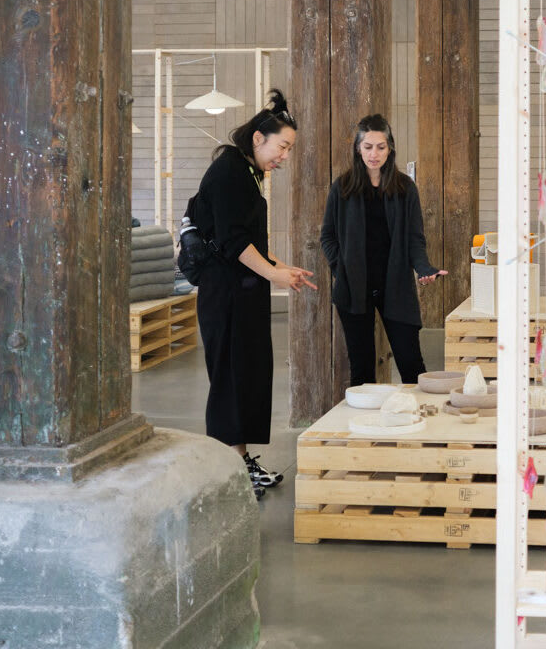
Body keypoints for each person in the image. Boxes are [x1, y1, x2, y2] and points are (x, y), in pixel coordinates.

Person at [191, 89, 317, 500]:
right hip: (225, 294)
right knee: (230, 377)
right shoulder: (229, 171)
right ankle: (230, 470)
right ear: (259, 138)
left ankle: (240, 461)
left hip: (243, 293)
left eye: (289, 149)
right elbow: (233, 242)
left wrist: (281, 267)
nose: (284, 156)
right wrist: (274, 274)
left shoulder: (247, 172)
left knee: (246, 374)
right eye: (282, 146)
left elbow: (253, 241)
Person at [320, 114, 447, 387]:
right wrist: (341, 269)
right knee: (361, 370)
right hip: (354, 287)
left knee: (412, 364)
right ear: (358, 148)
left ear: (390, 149)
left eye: (380, 147)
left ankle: (418, 414)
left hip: (395, 285)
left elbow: (415, 238)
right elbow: (327, 236)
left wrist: (424, 268)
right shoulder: (342, 187)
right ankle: (363, 416)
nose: (374, 154)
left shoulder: (405, 188)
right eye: (368, 147)